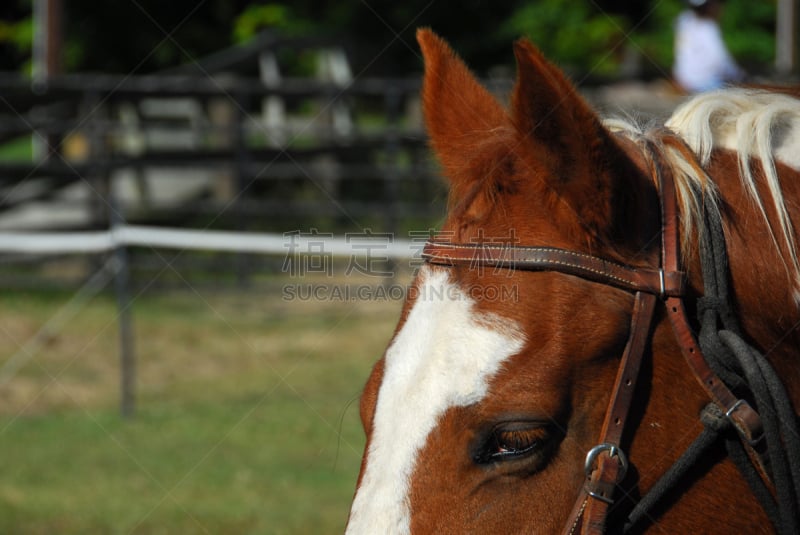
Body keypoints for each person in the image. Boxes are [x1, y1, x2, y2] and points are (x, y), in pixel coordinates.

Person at [673, 0, 745, 93]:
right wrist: (737, 74)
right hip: (703, 82)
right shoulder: (707, 28)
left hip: (683, 78)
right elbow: (720, 60)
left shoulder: (684, 22)